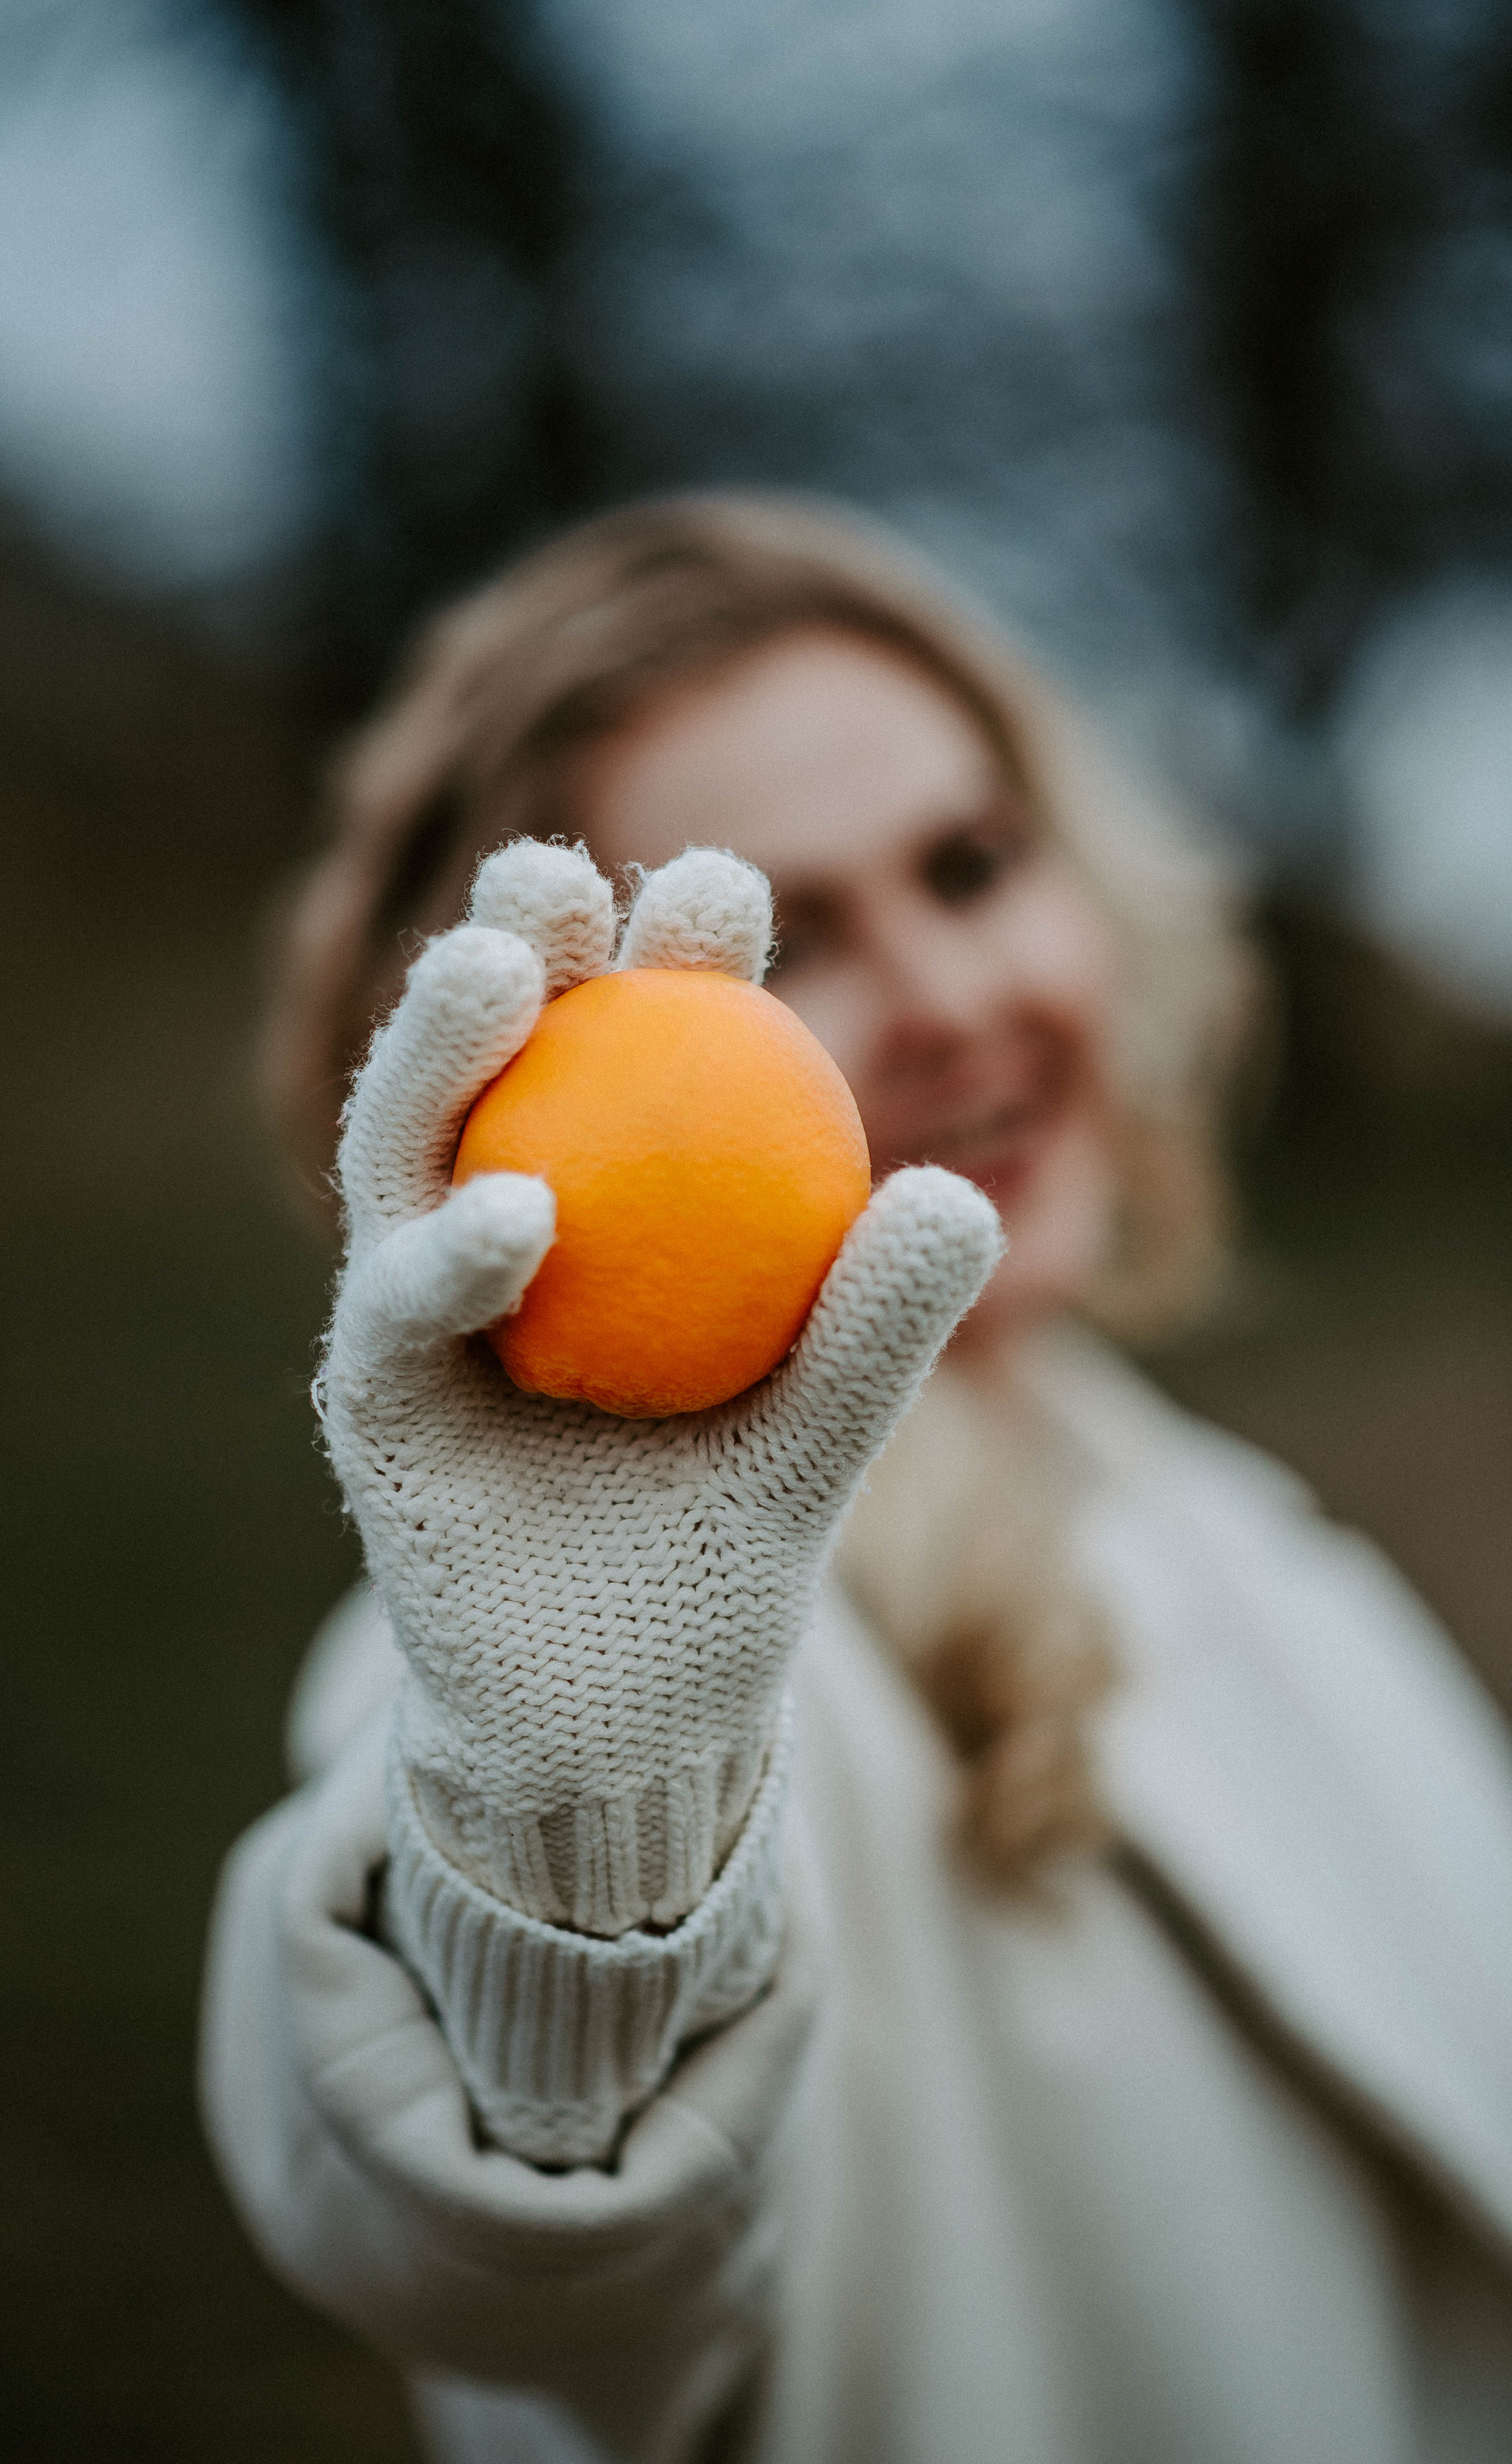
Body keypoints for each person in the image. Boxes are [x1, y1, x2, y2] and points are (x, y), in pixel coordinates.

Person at [201, 494, 1512, 2464]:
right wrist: (578, 1843)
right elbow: (509, 2231)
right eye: (788, 939)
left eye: (971, 863)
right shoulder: (589, 1685)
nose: (955, 997)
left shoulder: (1196, 1509)